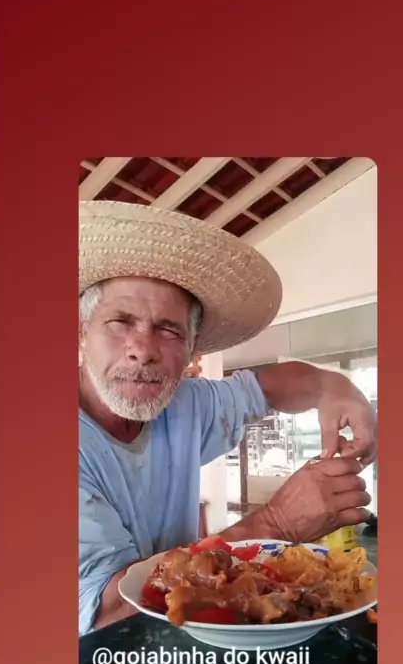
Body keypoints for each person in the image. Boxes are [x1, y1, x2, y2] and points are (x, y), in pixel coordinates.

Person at [79, 201, 377, 635]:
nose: (142, 349)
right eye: (120, 322)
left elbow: (269, 385)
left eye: (169, 330)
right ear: (81, 333)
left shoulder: (183, 403)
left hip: (185, 646)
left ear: (191, 349)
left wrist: (334, 387)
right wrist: (275, 524)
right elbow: (105, 609)